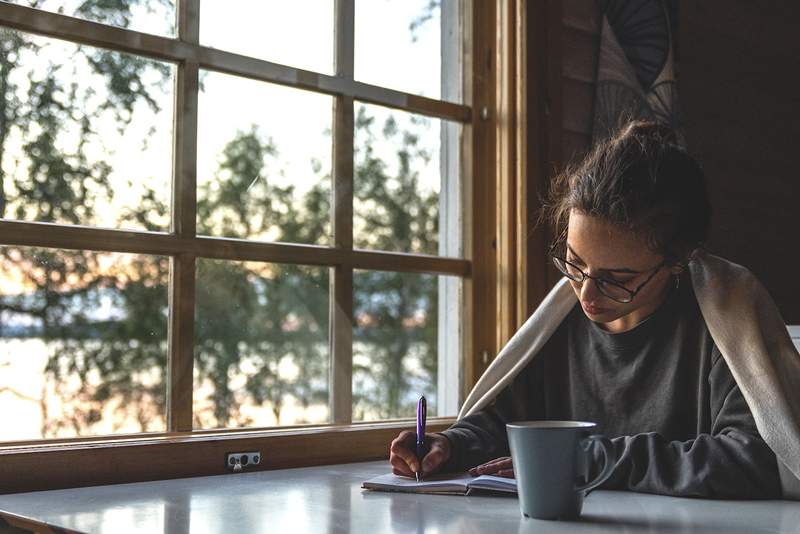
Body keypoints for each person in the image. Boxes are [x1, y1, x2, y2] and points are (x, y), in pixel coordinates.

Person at [388, 121, 789, 499]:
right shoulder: (563, 321)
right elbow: (505, 420)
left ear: (677, 262)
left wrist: (591, 461)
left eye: (618, 278)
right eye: (574, 263)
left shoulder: (723, 317)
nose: (586, 295)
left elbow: (760, 458)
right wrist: (451, 444)